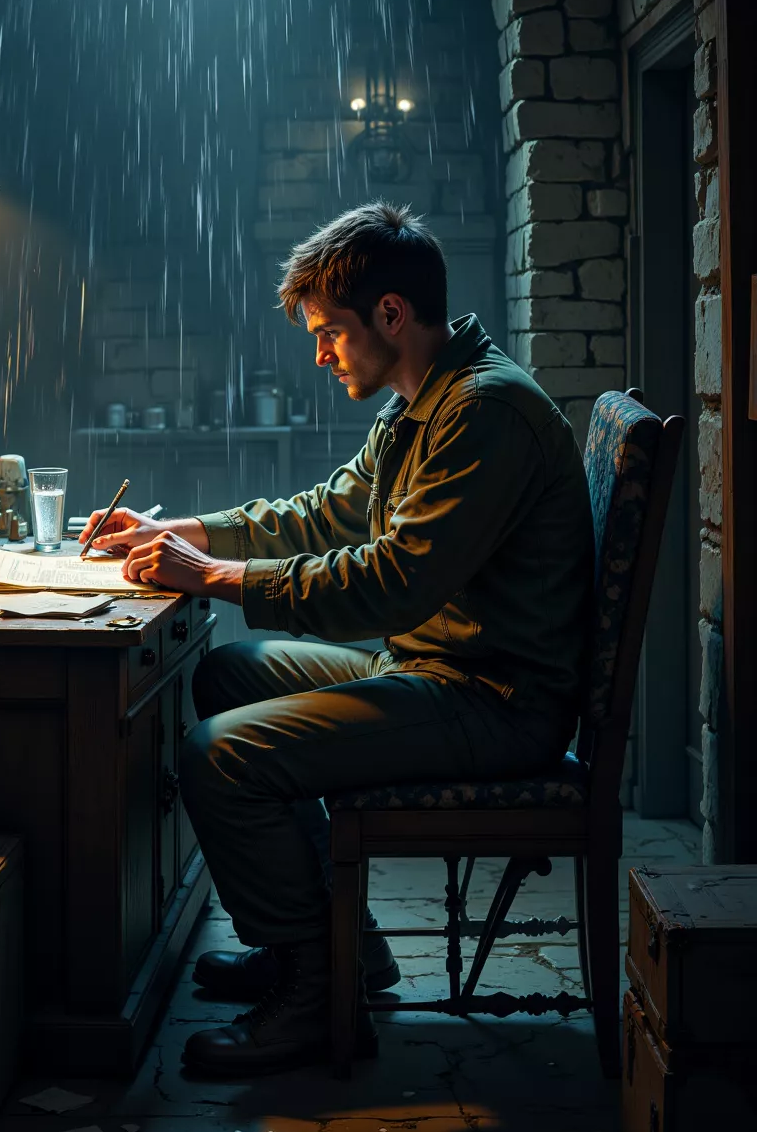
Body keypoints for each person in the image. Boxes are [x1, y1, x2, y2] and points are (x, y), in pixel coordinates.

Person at [81, 201, 594, 1077]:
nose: (320, 355)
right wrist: (191, 533)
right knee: (231, 673)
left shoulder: (483, 412)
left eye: (330, 333)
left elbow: (392, 581)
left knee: (221, 756)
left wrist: (211, 580)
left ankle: (316, 999)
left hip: (494, 701)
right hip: (438, 669)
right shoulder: (422, 398)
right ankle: (339, 951)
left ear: (391, 314)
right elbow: (331, 511)